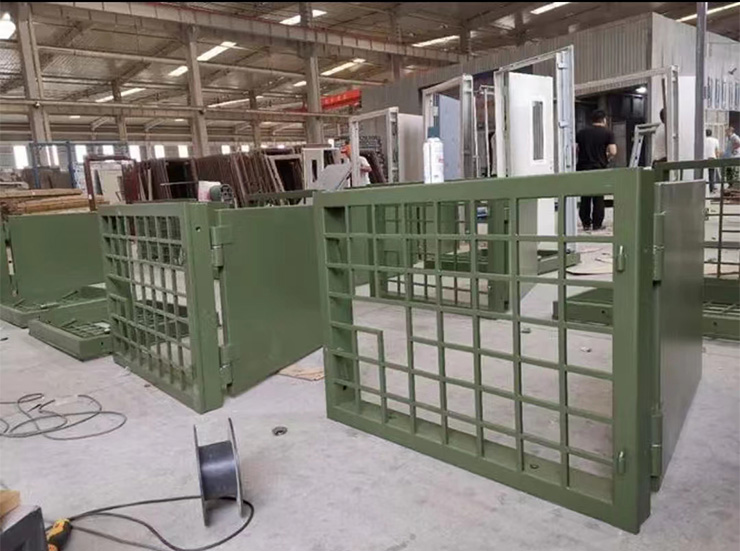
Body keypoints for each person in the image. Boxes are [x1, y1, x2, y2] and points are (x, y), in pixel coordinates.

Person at [576, 110, 617, 231]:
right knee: (598, 197)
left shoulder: (581, 133)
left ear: (591, 120)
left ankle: (586, 223)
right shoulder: (608, 133)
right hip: (599, 168)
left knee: (585, 196)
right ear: (604, 119)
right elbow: (613, 151)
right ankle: (597, 224)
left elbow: (576, 150)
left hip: (583, 168)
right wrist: (607, 157)